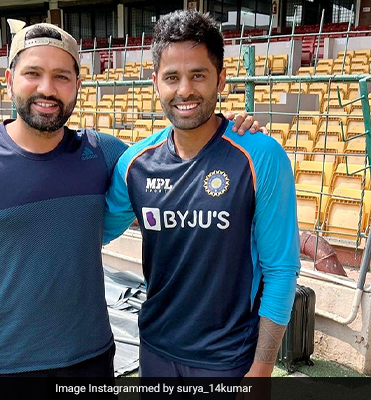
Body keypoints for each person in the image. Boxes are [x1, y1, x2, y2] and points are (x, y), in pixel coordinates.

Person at [0, 20, 261, 394]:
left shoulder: (104, 154)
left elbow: (175, 164)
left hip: (91, 361)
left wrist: (230, 130)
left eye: (61, 77)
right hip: (6, 367)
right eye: (33, 74)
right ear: (9, 81)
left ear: (78, 85)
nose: (47, 88)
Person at [104, 10, 301, 380]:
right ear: (155, 83)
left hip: (229, 359)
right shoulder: (135, 164)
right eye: (172, 77)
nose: (184, 91)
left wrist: (262, 368)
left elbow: (281, 269)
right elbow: (93, 231)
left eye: (198, 75)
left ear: (220, 79)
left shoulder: (260, 156)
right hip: (156, 351)